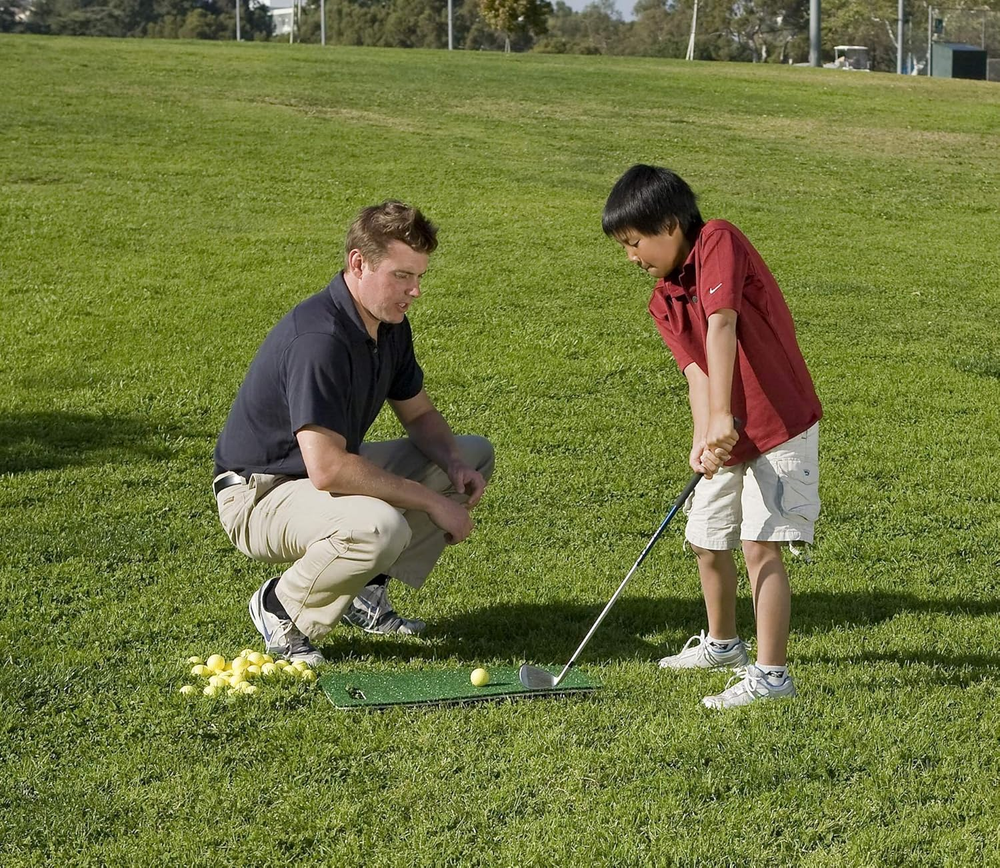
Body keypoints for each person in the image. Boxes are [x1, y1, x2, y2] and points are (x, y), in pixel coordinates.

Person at [212, 201, 494, 665]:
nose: (415, 291)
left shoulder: (388, 324)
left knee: (471, 453)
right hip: (259, 495)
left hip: (313, 472)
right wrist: (433, 502)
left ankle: (365, 592)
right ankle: (282, 608)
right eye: (402, 276)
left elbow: (420, 414)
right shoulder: (319, 340)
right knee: (377, 526)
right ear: (358, 264)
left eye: (419, 276)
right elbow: (328, 470)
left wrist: (455, 464)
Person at [602, 165, 821, 709]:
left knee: (759, 544)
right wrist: (704, 436)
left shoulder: (718, 239)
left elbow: (723, 322)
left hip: (778, 423)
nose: (630, 257)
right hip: (727, 433)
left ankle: (772, 676)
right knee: (705, 536)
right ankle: (724, 645)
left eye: (634, 242)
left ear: (670, 225)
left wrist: (724, 415)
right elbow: (696, 373)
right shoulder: (662, 300)